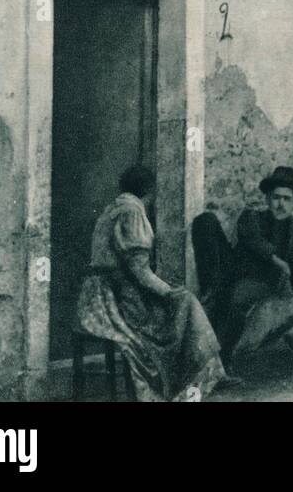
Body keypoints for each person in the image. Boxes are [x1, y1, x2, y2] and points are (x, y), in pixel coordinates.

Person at [76, 164, 226, 402]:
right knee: (184, 301)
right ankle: (195, 377)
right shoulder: (132, 213)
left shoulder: (112, 209)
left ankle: (204, 372)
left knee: (178, 301)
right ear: (149, 191)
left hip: (98, 295)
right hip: (118, 300)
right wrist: (167, 292)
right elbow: (139, 271)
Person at [192, 165, 293, 361]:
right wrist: (278, 260)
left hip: (263, 279)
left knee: (238, 297)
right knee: (206, 220)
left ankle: (223, 358)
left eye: (287, 199)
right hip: (232, 269)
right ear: (267, 199)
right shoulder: (251, 217)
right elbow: (252, 238)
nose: (280, 204)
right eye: (276, 198)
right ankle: (211, 288)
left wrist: (292, 284)